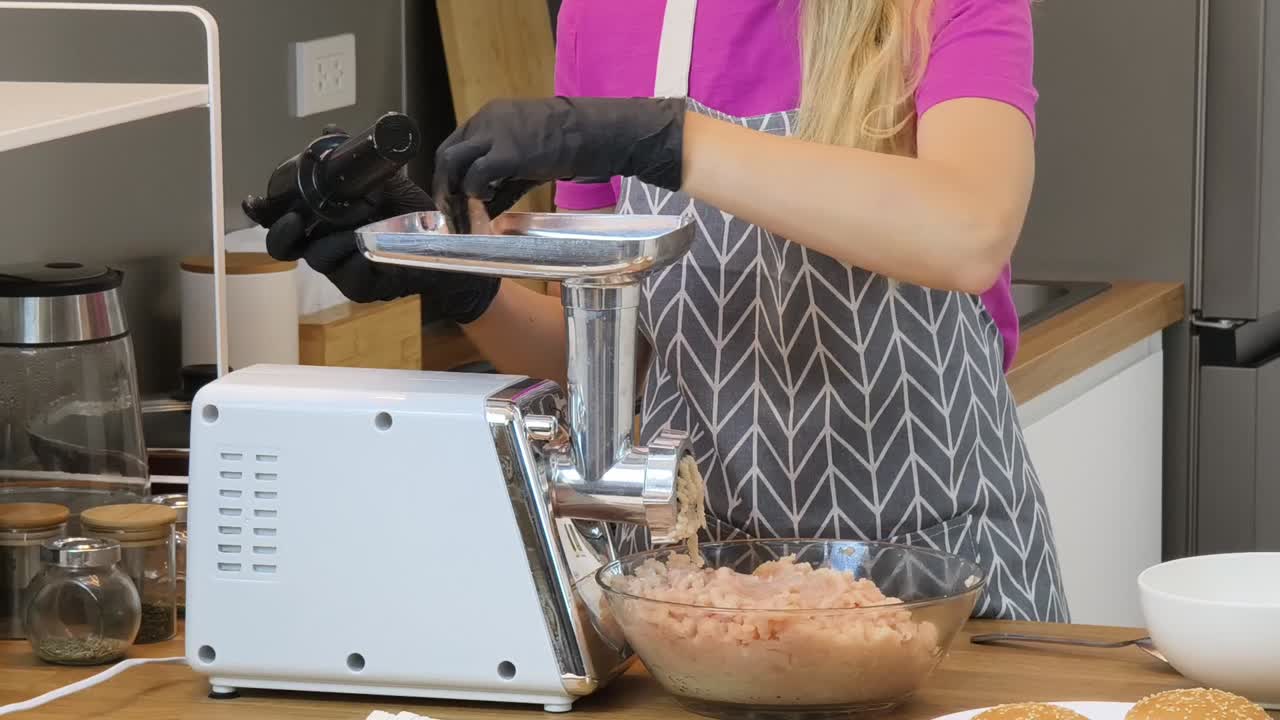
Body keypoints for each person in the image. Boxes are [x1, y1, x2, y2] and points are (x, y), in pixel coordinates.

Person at [266, 0, 1067, 622]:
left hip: (940, 590)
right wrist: (452, 278)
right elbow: (614, 361)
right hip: (707, 601)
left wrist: (668, 140)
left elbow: (967, 230)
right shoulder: (608, 13)